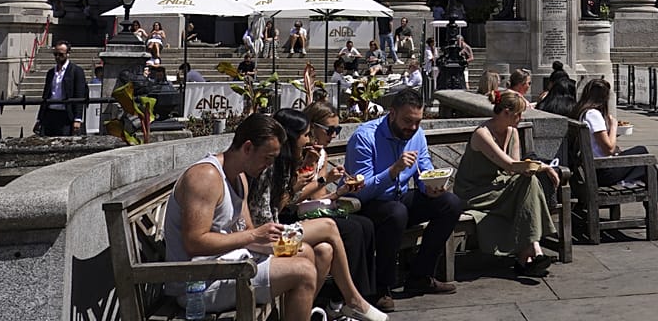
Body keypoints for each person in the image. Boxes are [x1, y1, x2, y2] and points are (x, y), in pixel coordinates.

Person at [163, 115, 320, 316]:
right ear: (247, 148)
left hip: (226, 267)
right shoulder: (206, 177)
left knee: (303, 251)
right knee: (303, 272)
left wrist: (275, 243)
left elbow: (246, 231)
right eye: (267, 158)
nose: (269, 165)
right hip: (197, 284)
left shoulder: (240, 178)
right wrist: (255, 236)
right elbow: (194, 242)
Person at [250, 109, 388, 321]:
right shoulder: (269, 165)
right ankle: (353, 300)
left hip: (277, 229)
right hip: (268, 235)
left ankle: (302, 312)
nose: (308, 140)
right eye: (305, 135)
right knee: (332, 227)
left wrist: (335, 187)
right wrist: (309, 174)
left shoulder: (288, 162)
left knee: (325, 249)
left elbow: (288, 201)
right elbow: (281, 204)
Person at [347, 87, 464, 298]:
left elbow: (424, 166)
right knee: (396, 212)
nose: (413, 127)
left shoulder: (417, 134)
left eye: (418, 122)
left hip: (399, 198)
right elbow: (359, 191)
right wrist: (393, 171)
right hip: (370, 205)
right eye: (408, 121)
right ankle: (382, 287)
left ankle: (421, 275)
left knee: (450, 203)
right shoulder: (365, 137)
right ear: (392, 114)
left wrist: (430, 185)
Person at [455, 90, 559, 276]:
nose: (520, 118)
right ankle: (532, 251)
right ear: (505, 112)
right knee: (529, 181)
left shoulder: (512, 131)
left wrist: (532, 169)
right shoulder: (482, 134)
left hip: (500, 186)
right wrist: (544, 166)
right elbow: (510, 164)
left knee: (529, 181)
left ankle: (531, 251)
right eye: (517, 114)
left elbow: (516, 170)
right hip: (476, 192)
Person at [575, 78, 658, 227]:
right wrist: (613, 127)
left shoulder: (582, 112)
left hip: (594, 168)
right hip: (602, 172)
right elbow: (609, 149)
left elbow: (600, 144)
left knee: (644, 163)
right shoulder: (593, 115)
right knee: (644, 156)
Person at [37, 41, 88, 137]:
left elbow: (79, 95)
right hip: (50, 113)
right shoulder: (51, 72)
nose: (57, 57)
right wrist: (40, 118)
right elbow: (46, 94)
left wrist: (77, 118)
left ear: (68, 54)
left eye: (61, 54)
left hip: (66, 115)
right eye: (55, 54)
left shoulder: (76, 71)